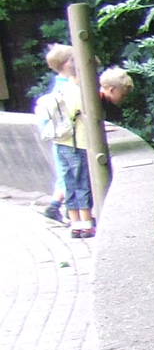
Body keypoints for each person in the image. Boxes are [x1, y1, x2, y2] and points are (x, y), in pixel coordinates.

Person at [33, 55, 96, 239]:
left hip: (60, 143)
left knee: (69, 183)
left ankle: (75, 224)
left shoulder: (59, 91)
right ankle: (86, 224)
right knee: (82, 183)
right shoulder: (77, 92)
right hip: (78, 143)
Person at [38, 44, 74, 223]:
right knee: (68, 174)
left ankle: (59, 207)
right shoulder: (66, 86)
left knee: (64, 173)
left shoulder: (59, 83)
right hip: (67, 137)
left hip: (60, 136)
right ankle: (58, 207)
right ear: (67, 64)